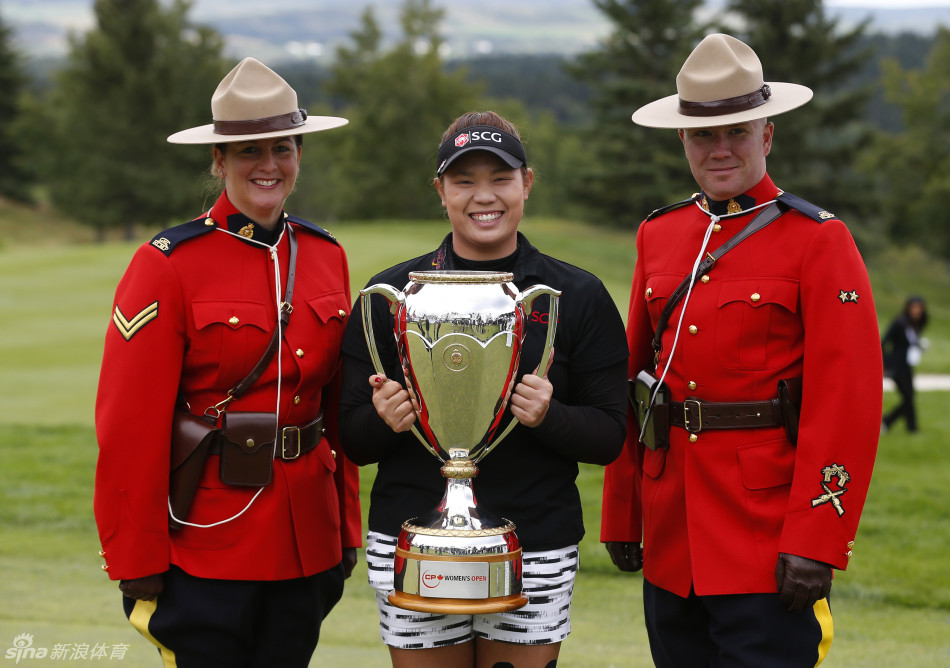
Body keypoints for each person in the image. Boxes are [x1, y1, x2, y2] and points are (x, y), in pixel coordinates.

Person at [600, 34, 882, 667]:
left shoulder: (818, 240)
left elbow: (848, 404)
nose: (720, 148)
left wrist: (819, 537)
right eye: (703, 135)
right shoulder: (660, 234)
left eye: (737, 130)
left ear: (767, 135)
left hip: (767, 540)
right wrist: (624, 512)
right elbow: (637, 386)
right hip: (673, 537)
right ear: (683, 141)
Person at [94, 57, 361, 667]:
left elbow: (333, 412)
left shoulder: (325, 255)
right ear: (218, 161)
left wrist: (344, 524)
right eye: (248, 151)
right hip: (208, 536)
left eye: (284, 148)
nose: (269, 165)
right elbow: (129, 425)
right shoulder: (166, 263)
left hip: (306, 541)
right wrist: (137, 557)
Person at [339, 111, 628, 668]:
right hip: (415, 539)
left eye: (500, 178)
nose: (483, 196)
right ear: (440, 191)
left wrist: (551, 416)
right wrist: (384, 418)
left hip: (535, 546)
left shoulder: (575, 296)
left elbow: (609, 436)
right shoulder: (393, 296)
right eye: (464, 180)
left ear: (527, 184)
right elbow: (353, 441)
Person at [882, 295, 929, 433]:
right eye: (914, 307)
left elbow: (909, 343)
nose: (916, 311)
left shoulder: (917, 324)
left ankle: (911, 428)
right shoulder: (899, 323)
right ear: (908, 308)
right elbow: (884, 342)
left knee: (910, 397)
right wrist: (886, 364)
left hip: (908, 365)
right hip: (896, 366)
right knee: (908, 396)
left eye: (919, 308)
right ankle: (890, 421)